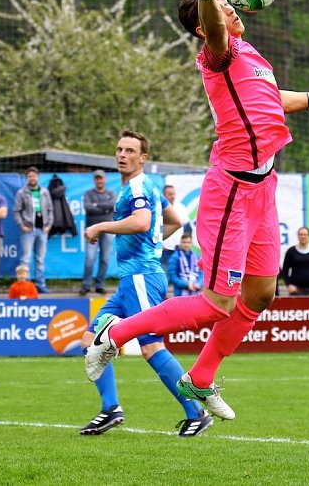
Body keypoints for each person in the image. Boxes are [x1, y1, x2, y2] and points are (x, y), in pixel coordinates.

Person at [83, 0, 309, 420]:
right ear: (205, 24)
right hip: (231, 190)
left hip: (265, 186)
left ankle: (200, 377)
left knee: (260, 293)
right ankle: (114, 334)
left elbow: (273, 100)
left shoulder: (250, 55)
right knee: (217, 303)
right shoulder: (218, 51)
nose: (234, 9)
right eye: (222, 5)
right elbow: (214, 25)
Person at [79, 129, 212, 438]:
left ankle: (196, 412)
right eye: (119, 149)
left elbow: (140, 222)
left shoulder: (138, 185)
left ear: (143, 158)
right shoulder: (143, 186)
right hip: (131, 280)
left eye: (129, 150)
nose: (122, 154)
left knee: (151, 346)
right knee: (90, 342)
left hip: (141, 277)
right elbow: (175, 220)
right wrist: (153, 243)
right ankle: (110, 408)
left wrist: (100, 226)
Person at [13, 166, 54, 294]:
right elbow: (16, 211)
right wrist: (22, 225)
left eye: (34, 176)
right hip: (28, 230)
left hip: (42, 229)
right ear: (27, 178)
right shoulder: (21, 193)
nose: (32, 178)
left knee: (40, 258)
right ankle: (25, 286)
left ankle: (40, 285)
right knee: (25, 258)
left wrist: (49, 225)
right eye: (29, 176)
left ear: (38, 177)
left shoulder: (44, 192)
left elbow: (50, 210)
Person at [81, 170, 116, 296]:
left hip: (107, 229)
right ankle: (85, 286)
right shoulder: (88, 193)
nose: (99, 180)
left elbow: (112, 204)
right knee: (90, 258)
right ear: (94, 180)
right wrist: (105, 208)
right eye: (97, 178)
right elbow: (88, 207)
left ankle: (99, 285)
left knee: (105, 259)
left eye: (101, 178)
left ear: (105, 179)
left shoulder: (111, 193)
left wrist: (97, 205)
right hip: (92, 230)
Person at [160, 184, 190, 270]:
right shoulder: (158, 208)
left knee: (178, 277)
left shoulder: (181, 208)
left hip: (178, 250)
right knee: (164, 279)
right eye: (170, 194)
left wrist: (184, 244)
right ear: (164, 195)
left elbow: (187, 229)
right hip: (164, 251)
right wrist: (159, 245)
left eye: (174, 194)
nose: (173, 196)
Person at [167, 233, 203, 297]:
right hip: (180, 293)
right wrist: (186, 284)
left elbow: (202, 273)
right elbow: (172, 276)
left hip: (196, 292)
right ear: (180, 243)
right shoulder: (175, 257)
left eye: (188, 242)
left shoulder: (197, 256)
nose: (186, 244)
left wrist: (199, 284)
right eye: (184, 242)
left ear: (191, 243)